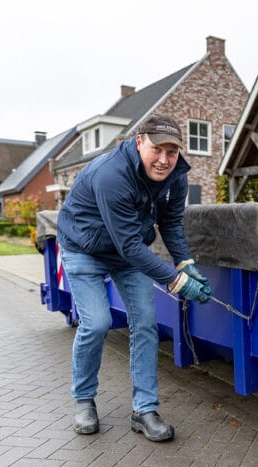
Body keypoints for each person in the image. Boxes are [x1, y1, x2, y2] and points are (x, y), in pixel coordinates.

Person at [57, 114, 212, 442]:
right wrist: (177, 282)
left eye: (172, 152)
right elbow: (129, 245)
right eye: (157, 149)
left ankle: (145, 409)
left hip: (128, 252)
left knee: (145, 323)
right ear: (139, 141)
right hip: (85, 248)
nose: (164, 160)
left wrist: (185, 262)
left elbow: (170, 223)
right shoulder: (111, 175)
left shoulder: (175, 175)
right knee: (97, 323)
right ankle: (84, 400)